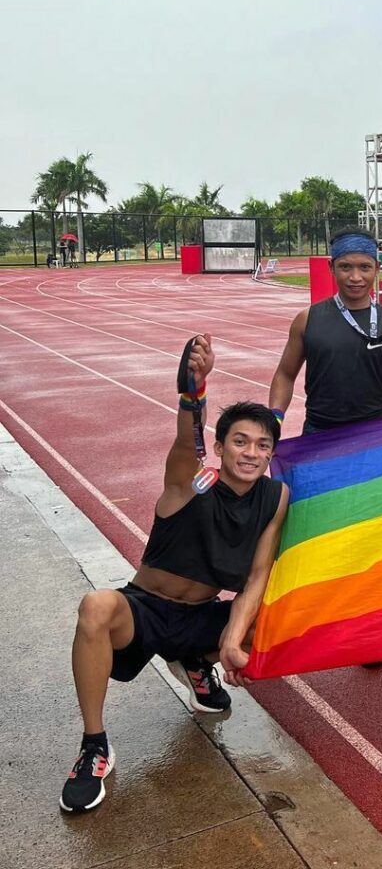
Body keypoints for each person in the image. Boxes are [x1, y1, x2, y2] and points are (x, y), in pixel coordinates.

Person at [61, 335, 289, 813]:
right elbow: (187, 439)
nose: (251, 453)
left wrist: (231, 640)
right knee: (96, 606)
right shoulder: (190, 482)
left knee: (269, 616)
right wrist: (193, 391)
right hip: (145, 611)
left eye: (263, 445)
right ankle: (94, 747)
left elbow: (257, 575)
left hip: (199, 617)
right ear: (221, 446)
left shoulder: (274, 498)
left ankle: (196, 662)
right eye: (241, 441)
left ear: (271, 454)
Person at [269, 227, 382, 435]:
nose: (355, 277)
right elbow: (285, 375)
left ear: (377, 268)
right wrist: (274, 421)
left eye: (365, 267)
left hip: (373, 435)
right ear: (331, 267)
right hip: (319, 434)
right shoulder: (307, 319)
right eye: (345, 267)